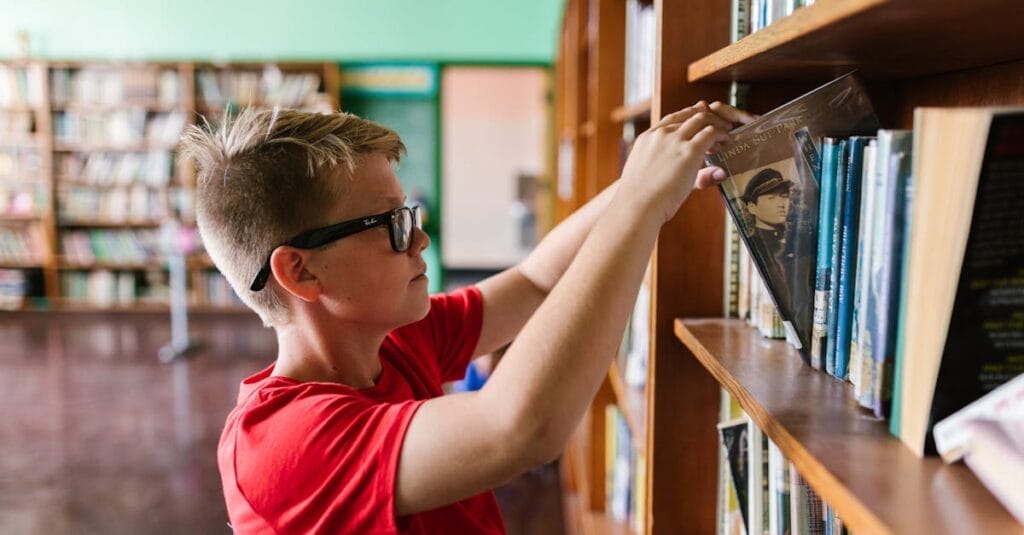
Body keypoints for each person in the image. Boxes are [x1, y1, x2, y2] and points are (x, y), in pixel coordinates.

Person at [179, 100, 754, 534]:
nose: (421, 238)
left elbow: (535, 280)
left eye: (411, 213)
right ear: (301, 273)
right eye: (391, 224)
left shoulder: (397, 338)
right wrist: (640, 204)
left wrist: (646, 179)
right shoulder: (279, 445)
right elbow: (519, 430)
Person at [742, 167, 794, 313]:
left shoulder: (795, 242)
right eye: (771, 198)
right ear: (752, 207)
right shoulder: (755, 245)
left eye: (784, 196)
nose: (781, 204)